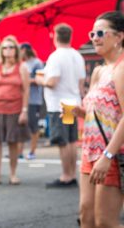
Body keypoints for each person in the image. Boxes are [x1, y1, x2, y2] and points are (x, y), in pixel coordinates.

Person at [69, 11, 124, 227]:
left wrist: (108, 155)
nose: (95, 37)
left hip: (112, 153)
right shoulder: (99, 72)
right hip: (89, 151)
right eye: (92, 33)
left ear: (119, 37)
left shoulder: (121, 70)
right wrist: (79, 112)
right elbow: (96, 113)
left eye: (101, 32)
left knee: (105, 222)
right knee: (86, 217)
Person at [36, 23, 85, 188]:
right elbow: (81, 83)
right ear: (70, 36)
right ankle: (71, 174)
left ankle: (66, 176)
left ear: (56, 37)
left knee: (63, 142)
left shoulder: (56, 56)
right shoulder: (77, 55)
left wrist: (39, 80)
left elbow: (52, 82)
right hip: (73, 102)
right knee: (71, 141)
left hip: (59, 104)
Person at [0, 35, 30, 185]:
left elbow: (26, 91)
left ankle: (13, 174)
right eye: (5, 48)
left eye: (11, 47)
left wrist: (24, 110)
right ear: (1, 51)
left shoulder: (22, 67)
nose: (8, 50)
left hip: (14, 109)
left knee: (12, 142)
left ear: (16, 50)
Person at [18, 43, 44, 160]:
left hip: (34, 100)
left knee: (33, 126)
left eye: (20, 50)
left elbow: (41, 79)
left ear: (25, 50)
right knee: (21, 125)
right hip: (21, 99)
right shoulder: (21, 64)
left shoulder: (37, 63)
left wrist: (27, 80)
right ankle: (19, 152)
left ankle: (32, 152)